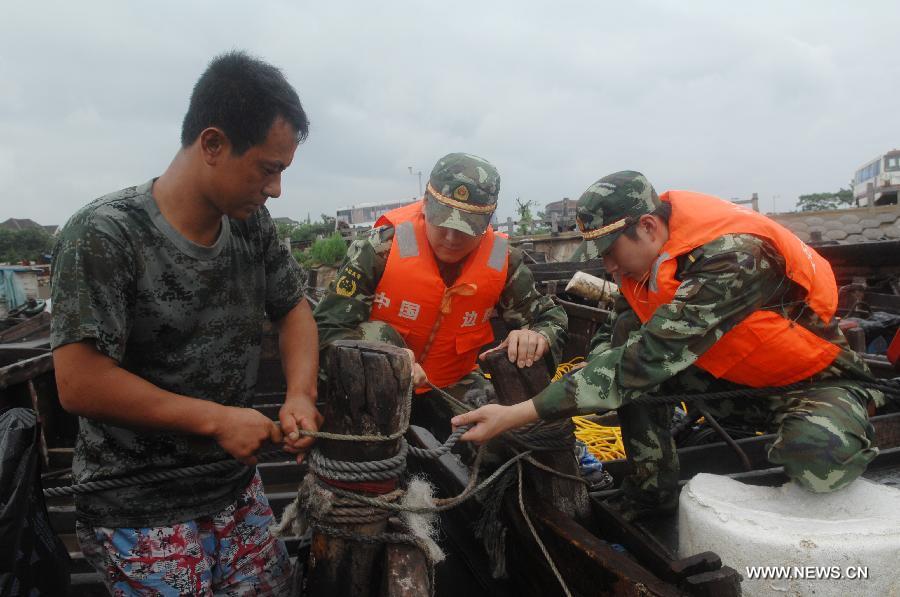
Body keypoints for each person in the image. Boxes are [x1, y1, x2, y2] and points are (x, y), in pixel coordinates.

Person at [452, 170, 883, 520]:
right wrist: (597, 377)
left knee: (815, 462)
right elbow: (617, 330)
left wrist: (517, 414)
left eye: (611, 250)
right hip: (728, 380)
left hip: (811, 383)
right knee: (621, 356)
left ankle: (832, 431)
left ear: (648, 226)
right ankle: (651, 492)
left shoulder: (733, 257)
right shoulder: (643, 265)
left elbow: (644, 360)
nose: (607, 264)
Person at [51, 51, 320, 595]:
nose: (275, 190)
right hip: (139, 505)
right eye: (268, 169)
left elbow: (293, 308)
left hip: (232, 488)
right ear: (213, 144)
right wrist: (218, 421)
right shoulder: (104, 236)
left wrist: (300, 394)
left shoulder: (251, 226)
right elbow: (79, 382)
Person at [314, 153, 567, 434]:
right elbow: (326, 330)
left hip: (452, 384)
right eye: (443, 224)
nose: (451, 239)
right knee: (376, 338)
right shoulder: (379, 250)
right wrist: (387, 360)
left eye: (465, 229)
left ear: (486, 222)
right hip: (375, 386)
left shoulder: (504, 261)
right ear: (425, 206)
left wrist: (538, 335)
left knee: (507, 442)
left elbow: (550, 317)